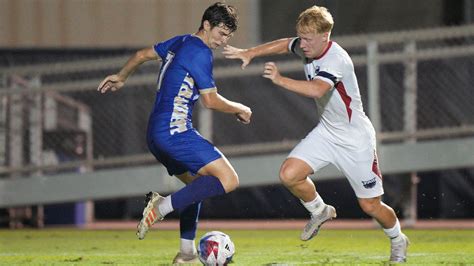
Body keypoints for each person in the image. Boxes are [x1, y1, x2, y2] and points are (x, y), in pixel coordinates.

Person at [223, 5, 409, 263]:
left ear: (326, 36)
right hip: (327, 132)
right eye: (302, 37)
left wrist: (279, 79)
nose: (303, 44)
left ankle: (398, 239)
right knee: (289, 174)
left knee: (370, 206)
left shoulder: (336, 59)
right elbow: (286, 44)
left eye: (309, 39)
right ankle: (319, 210)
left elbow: (317, 90)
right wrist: (250, 52)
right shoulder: (309, 45)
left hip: (355, 139)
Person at [98, 2, 251, 264]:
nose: (223, 40)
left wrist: (122, 76)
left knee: (197, 188)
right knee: (229, 179)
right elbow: (210, 101)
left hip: (156, 134)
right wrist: (240, 107)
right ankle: (161, 207)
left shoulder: (181, 42)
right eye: (221, 33)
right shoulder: (200, 52)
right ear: (206, 25)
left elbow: (142, 54)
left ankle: (187, 253)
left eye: (228, 36)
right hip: (174, 132)